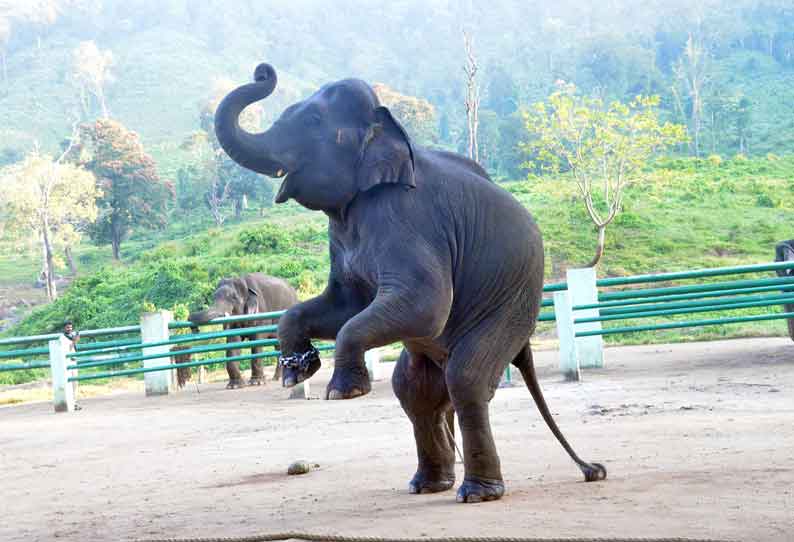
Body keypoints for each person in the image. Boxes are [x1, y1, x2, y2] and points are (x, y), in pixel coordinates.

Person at [62, 321, 82, 410]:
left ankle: (74, 403)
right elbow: (68, 348)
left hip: (73, 361)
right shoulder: (62, 338)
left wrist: (75, 339)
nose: (69, 329)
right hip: (67, 363)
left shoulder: (70, 336)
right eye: (67, 327)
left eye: (70, 327)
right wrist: (74, 341)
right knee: (69, 384)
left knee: (75, 383)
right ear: (64, 328)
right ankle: (70, 403)